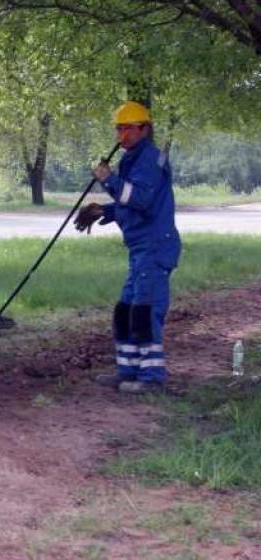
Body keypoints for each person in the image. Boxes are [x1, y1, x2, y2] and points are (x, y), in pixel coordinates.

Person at [74, 101, 181, 394]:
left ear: (144, 129)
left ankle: (152, 378)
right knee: (125, 311)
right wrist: (104, 211)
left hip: (155, 246)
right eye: (119, 129)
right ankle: (127, 372)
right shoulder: (132, 159)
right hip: (139, 249)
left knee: (145, 311)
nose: (122, 135)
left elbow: (142, 199)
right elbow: (131, 203)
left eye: (128, 129)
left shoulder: (150, 158)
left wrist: (108, 180)